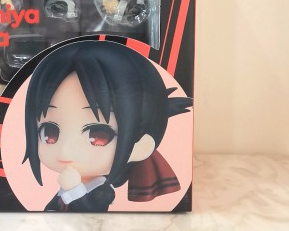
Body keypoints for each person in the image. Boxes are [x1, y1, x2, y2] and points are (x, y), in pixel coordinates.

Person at [23, 40, 192, 211]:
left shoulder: (102, 191)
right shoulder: (68, 181)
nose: (65, 150)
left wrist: (73, 188)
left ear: (141, 145)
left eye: (97, 136)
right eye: (49, 133)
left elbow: (91, 213)